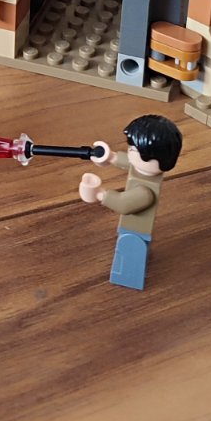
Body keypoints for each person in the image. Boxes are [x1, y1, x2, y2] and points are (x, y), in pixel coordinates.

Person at [78, 115, 183, 291]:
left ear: (154, 159)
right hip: (135, 231)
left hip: (134, 232)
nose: (131, 153)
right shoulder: (145, 168)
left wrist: (99, 194)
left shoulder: (146, 192)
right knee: (136, 250)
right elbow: (131, 163)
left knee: (129, 254)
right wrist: (109, 156)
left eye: (134, 150)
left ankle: (127, 278)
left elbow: (123, 204)